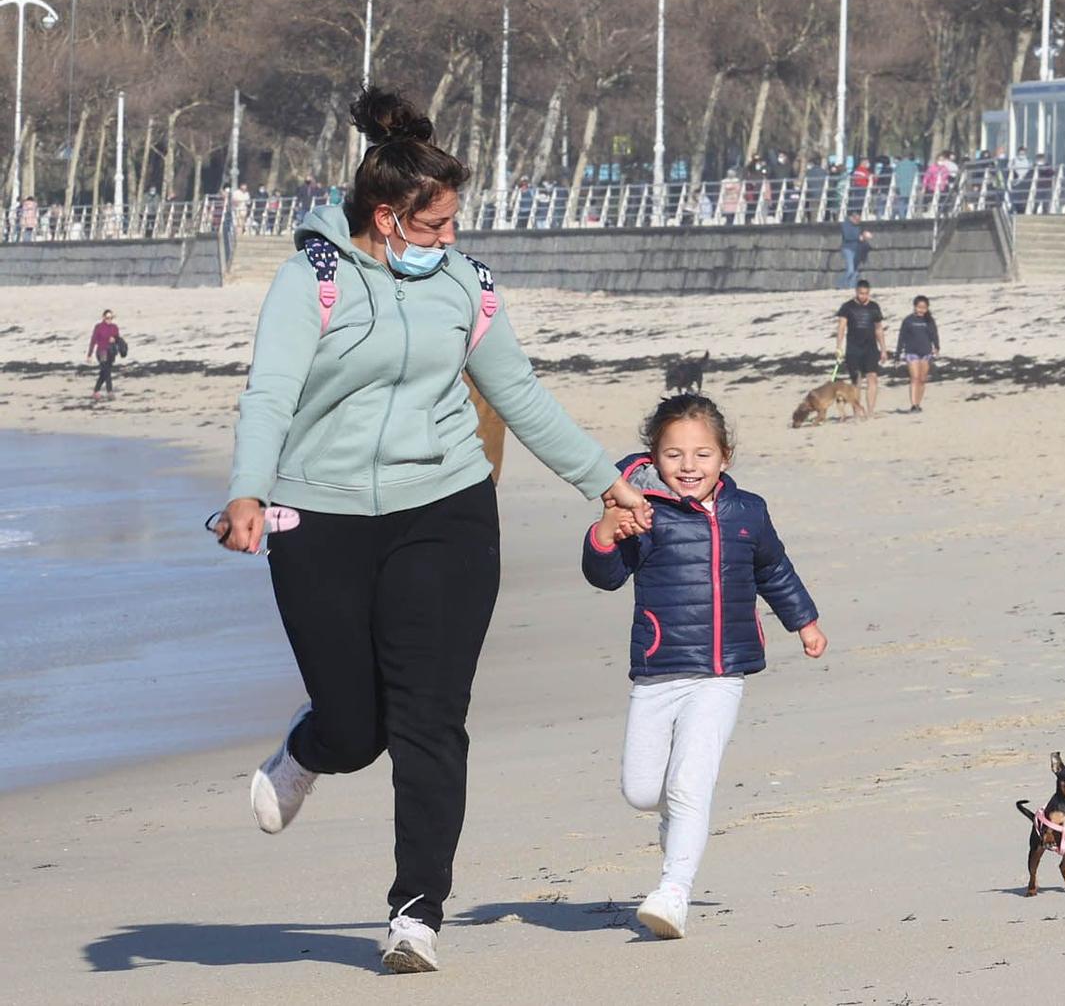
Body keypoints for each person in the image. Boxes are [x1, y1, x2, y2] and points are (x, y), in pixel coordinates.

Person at [213, 87, 655, 973]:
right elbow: (269, 393)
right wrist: (248, 493)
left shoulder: (467, 286)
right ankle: (310, 745)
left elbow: (519, 395)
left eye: (456, 222)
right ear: (389, 216)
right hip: (320, 512)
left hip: (446, 508)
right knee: (356, 724)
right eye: (439, 223)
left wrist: (603, 481)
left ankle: (416, 911)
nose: (453, 238)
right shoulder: (314, 278)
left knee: (429, 716)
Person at [583, 394, 824, 940]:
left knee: (692, 782)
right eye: (673, 455)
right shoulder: (642, 513)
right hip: (657, 669)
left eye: (702, 454)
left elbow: (775, 570)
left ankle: (674, 890)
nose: (688, 466)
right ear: (654, 458)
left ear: (725, 457)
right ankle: (675, 825)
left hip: (721, 674)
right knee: (644, 791)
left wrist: (804, 622)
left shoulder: (750, 512)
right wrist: (605, 531)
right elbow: (603, 575)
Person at [833, 279, 888, 418]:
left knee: (873, 378)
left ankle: (870, 412)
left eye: (866, 294)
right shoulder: (847, 307)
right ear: (856, 292)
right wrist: (838, 347)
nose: (863, 296)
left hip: (870, 348)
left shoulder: (874, 307)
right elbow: (841, 327)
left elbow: (879, 329)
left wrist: (883, 349)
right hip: (853, 349)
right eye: (861, 293)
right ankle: (857, 412)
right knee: (856, 381)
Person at [895, 295, 941, 413]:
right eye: (919, 307)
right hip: (911, 352)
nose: (921, 310)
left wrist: (936, 347)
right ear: (915, 307)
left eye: (924, 308)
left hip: (925, 352)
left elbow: (934, 335)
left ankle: (918, 403)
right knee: (914, 378)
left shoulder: (929, 321)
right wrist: (898, 355)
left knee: (922, 379)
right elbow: (902, 338)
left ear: (927, 308)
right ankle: (914, 404)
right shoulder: (908, 320)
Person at [88, 308, 121, 401]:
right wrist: (89, 354)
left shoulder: (115, 327)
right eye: (107, 318)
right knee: (107, 371)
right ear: (103, 317)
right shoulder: (98, 327)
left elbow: (118, 339)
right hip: (101, 352)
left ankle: (96, 391)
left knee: (104, 373)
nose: (109, 320)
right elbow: (93, 340)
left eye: (111, 318)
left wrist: (115, 339)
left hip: (111, 352)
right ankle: (110, 391)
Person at [838, 210, 870, 289]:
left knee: (855, 271)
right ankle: (840, 285)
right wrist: (859, 237)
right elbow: (848, 236)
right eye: (857, 220)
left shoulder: (859, 225)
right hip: (848, 249)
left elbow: (861, 235)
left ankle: (851, 287)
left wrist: (865, 235)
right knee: (850, 270)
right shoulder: (846, 225)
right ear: (852, 217)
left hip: (857, 249)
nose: (858, 221)